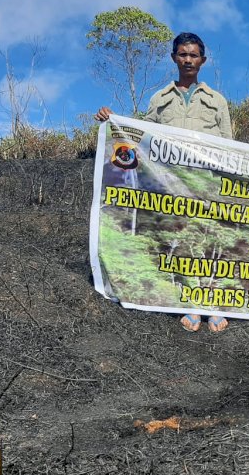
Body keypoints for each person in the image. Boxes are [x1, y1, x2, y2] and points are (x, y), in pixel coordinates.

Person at [95, 32, 232, 333]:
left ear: (202, 61)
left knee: (209, 242)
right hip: (171, 184)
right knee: (180, 241)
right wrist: (112, 120)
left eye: (193, 55)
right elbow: (143, 139)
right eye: (182, 54)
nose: (188, 60)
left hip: (205, 184)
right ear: (174, 58)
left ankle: (214, 305)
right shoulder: (159, 100)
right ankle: (191, 305)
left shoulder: (217, 101)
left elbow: (229, 149)